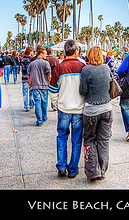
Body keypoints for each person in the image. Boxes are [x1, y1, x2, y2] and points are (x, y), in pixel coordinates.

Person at [49, 39, 85, 178]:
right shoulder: (83, 67)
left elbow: (53, 90)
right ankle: (73, 169)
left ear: (64, 52)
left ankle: (62, 166)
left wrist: (57, 104)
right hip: (79, 109)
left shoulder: (59, 68)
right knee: (76, 140)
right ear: (76, 51)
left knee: (62, 137)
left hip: (64, 108)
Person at [79, 46, 113, 181]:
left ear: (89, 56)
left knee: (89, 140)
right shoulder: (106, 68)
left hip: (91, 110)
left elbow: (82, 91)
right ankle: (103, 170)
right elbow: (110, 85)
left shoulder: (86, 70)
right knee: (104, 140)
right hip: (107, 109)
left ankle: (93, 171)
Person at [27, 45, 52, 126]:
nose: (46, 55)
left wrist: (29, 84)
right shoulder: (46, 63)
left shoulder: (32, 64)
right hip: (44, 85)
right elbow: (49, 75)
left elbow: (29, 76)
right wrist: (50, 83)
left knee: (37, 102)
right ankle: (44, 117)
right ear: (40, 54)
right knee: (44, 102)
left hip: (35, 85)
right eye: (44, 54)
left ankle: (39, 120)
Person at [20, 47, 34, 111]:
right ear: (30, 52)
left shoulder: (22, 59)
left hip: (24, 77)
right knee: (31, 91)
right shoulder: (31, 59)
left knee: (25, 92)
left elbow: (21, 68)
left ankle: (26, 106)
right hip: (30, 77)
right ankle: (31, 104)